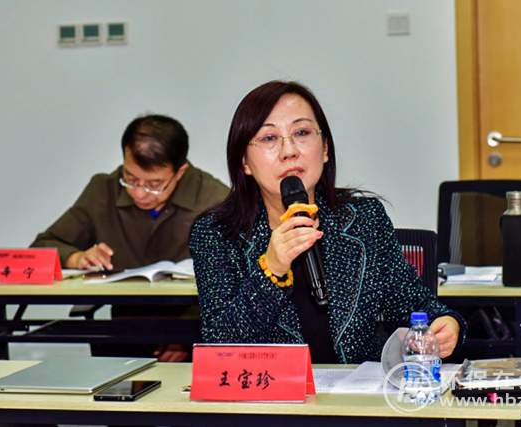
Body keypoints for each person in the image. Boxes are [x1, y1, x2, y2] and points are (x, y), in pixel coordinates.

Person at [189, 81, 466, 363]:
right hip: (271, 391)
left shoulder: (365, 219)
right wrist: (270, 271)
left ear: (324, 148)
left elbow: (413, 305)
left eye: (301, 132)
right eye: (269, 138)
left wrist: (446, 323)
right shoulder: (216, 234)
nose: (289, 151)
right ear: (245, 162)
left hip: (357, 389)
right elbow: (219, 350)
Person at [31, 114, 229, 362]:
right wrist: (77, 258)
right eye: (131, 179)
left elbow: (236, 285)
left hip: (196, 333)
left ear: (180, 172)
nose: (139, 194)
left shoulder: (216, 201)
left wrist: (187, 336)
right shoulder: (104, 190)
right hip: (124, 333)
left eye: (154, 184)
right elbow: (42, 248)